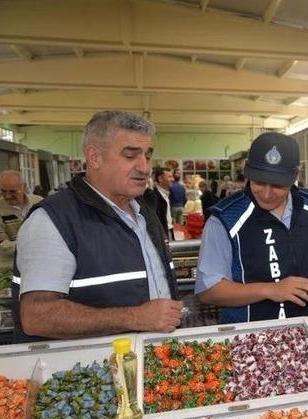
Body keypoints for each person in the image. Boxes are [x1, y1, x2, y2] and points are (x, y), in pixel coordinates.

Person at [12, 111, 181, 342]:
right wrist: (135, 318)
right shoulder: (53, 221)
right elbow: (36, 316)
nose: (144, 167)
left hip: (147, 360)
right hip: (86, 371)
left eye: (147, 156)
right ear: (94, 157)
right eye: (131, 155)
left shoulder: (144, 214)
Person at [195, 132, 308, 322]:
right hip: (250, 340)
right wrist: (270, 290)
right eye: (258, 182)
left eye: (277, 185)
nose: (267, 194)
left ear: (294, 176)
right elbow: (208, 290)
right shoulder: (226, 219)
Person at [0, 170, 43, 270]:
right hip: (10, 271)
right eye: (3, 191)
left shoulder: (38, 202)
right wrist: (33, 244)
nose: (8, 196)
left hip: (39, 265)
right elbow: (0, 246)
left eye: (13, 191)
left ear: (24, 187)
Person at [142, 166, 174, 240]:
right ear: (160, 179)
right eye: (170, 177)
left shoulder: (167, 195)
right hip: (161, 237)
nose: (173, 179)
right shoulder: (153, 197)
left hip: (168, 231)